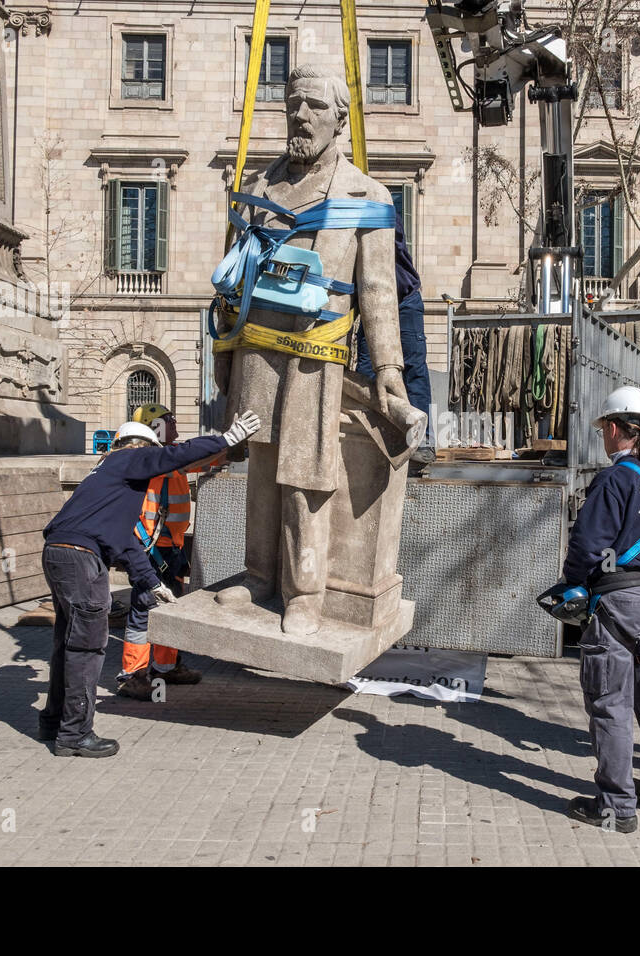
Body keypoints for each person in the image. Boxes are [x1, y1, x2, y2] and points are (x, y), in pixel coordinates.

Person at [213, 65, 407, 636]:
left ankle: (304, 591)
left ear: (340, 119)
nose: (300, 115)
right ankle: (258, 575)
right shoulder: (255, 189)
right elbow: (229, 280)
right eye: (293, 103)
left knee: (306, 474)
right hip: (256, 354)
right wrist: (223, 357)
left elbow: (377, 290)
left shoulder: (365, 195)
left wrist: (389, 368)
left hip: (314, 356)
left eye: (315, 106)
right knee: (262, 466)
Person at [39, 412, 259, 756]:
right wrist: (226, 439)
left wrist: (151, 581)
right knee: (86, 648)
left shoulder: (105, 475)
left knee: (66, 643)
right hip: (82, 559)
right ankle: (74, 735)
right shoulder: (129, 458)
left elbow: (124, 540)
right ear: (141, 446)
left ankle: (54, 722)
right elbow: (174, 455)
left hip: (60, 552)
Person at [564, 386, 640, 833]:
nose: (603, 437)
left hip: (618, 605)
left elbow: (588, 543)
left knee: (610, 704)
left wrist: (572, 583)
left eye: (603, 430)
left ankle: (616, 807)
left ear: (613, 428)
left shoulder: (614, 479)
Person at [116, 403, 228, 701]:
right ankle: (133, 676)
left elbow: (200, 459)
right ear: (154, 426)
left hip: (171, 549)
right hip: (150, 551)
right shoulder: (148, 460)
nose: (175, 423)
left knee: (170, 609)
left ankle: (164, 668)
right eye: (169, 420)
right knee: (143, 612)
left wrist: (233, 446)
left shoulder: (171, 457)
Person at [353, 214, 434, 458]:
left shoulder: (381, 214)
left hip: (403, 301)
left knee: (412, 367)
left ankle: (421, 441)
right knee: (366, 370)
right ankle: (371, 438)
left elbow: (380, 251)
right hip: (371, 307)